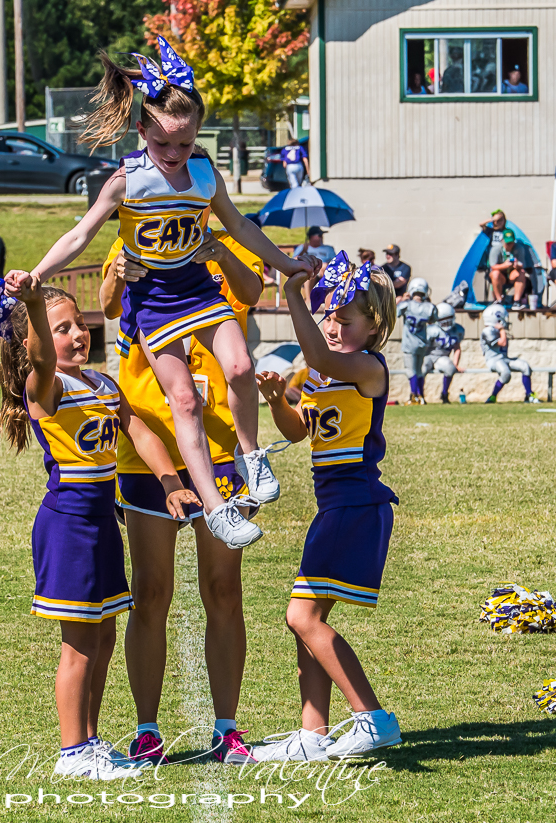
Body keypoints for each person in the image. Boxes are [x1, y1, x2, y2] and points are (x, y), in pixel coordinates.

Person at [17, 37, 314, 550]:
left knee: (240, 366)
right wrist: (37, 273)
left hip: (196, 286)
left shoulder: (204, 174)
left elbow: (240, 226)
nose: (175, 155)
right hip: (152, 299)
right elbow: (80, 235)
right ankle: (216, 509)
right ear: (142, 133)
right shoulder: (126, 181)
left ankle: (250, 455)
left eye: (186, 142)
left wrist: (288, 264)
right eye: (163, 145)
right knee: (184, 400)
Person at [0, 278, 200, 779]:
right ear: (34, 338)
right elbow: (42, 359)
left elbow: (139, 432)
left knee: (104, 636)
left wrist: (171, 483)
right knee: (80, 644)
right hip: (68, 526)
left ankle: (88, 741)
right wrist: (32, 304)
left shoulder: (103, 383)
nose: (77, 334)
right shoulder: (45, 385)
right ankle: (72, 752)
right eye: (61, 328)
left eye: (80, 324)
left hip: (103, 523)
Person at [100, 230, 265, 767]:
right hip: (149, 453)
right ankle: (147, 730)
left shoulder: (226, 239)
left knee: (224, 589)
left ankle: (227, 728)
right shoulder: (135, 232)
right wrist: (117, 275)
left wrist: (219, 252)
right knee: (150, 593)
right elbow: (108, 306)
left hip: (219, 451)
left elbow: (251, 293)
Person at [253, 252, 401, 762]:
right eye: (329, 318)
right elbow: (299, 430)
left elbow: (317, 355)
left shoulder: (367, 367)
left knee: (302, 616)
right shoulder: (322, 372)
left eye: (344, 320)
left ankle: (373, 719)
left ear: (374, 325)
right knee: (305, 620)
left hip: (355, 504)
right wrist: (277, 401)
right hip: (334, 506)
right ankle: (312, 734)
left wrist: (292, 294)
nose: (333, 328)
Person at [481, 303, 539, 403]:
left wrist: (501, 330)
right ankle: (492, 396)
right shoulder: (487, 331)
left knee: (525, 366)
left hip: (504, 358)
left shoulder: (497, 330)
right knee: (505, 373)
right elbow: (502, 343)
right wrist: (501, 329)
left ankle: (529, 395)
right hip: (493, 360)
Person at [397, 278, 438, 404]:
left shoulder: (406, 305)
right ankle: (421, 396)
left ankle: (414, 395)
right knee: (419, 371)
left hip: (409, 343)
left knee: (411, 370)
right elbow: (433, 320)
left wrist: (403, 300)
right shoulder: (430, 307)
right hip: (422, 342)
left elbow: (396, 312)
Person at [423, 303, 465, 403]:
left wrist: (455, 364)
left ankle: (444, 394)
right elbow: (423, 348)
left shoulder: (457, 330)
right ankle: (419, 395)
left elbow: (457, 348)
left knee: (450, 368)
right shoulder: (431, 330)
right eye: (443, 319)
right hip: (428, 355)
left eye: (449, 318)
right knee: (422, 369)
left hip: (442, 356)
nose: (446, 322)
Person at [489, 228, 530, 307]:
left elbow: (522, 265)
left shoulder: (519, 248)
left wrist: (516, 266)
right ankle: (499, 300)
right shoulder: (496, 249)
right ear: (503, 241)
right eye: (507, 243)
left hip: (512, 274)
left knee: (521, 272)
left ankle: (516, 301)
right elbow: (493, 266)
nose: (509, 245)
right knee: (495, 274)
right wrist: (504, 265)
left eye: (511, 243)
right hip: (501, 276)